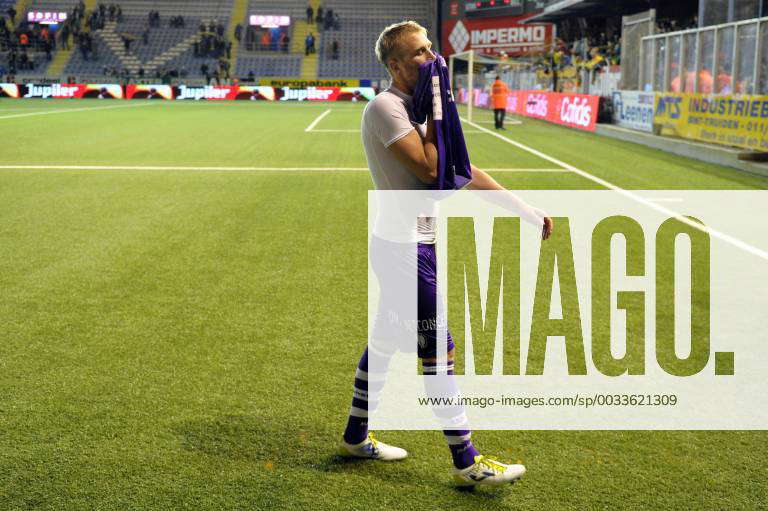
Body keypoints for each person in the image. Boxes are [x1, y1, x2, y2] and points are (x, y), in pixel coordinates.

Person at [340, 20, 553, 488]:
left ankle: (355, 435)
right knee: (440, 348)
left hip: (416, 243)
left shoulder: (417, 110)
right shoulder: (387, 107)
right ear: (395, 65)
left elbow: (463, 170)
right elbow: (430, 166)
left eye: (430, 48)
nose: (431, 58)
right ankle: (466, 461)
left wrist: (524, 210)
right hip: (402, 248)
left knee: (386, 340)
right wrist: (439, 108)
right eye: (419, 53)